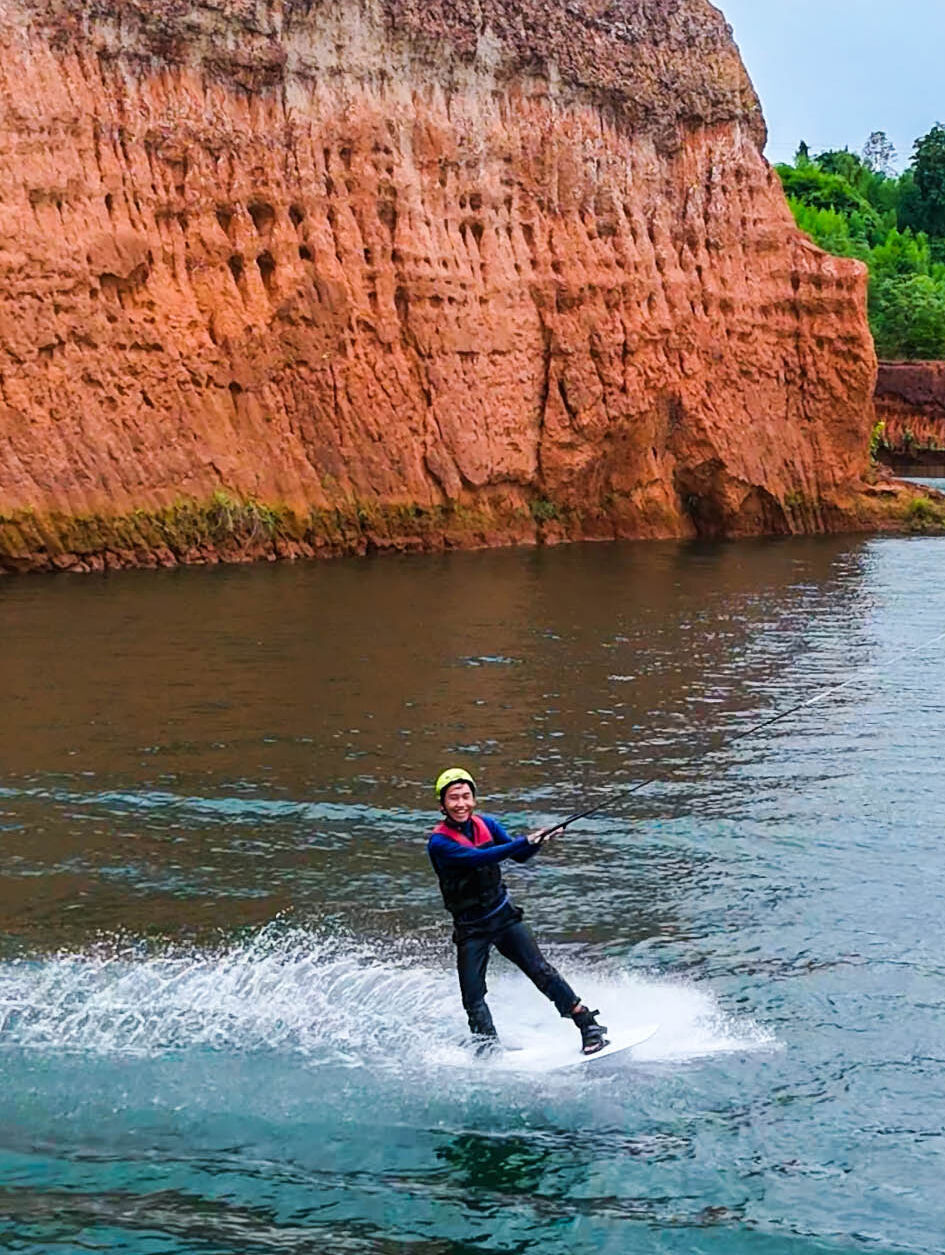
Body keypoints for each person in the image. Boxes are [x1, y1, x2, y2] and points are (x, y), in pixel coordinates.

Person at [427, 767, 608, 1055]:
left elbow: (519, 856)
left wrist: (538, 841)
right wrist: (523, 840)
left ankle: (587, 1024)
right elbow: (478, 858)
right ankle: (488, 1051)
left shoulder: (488, 824)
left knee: (541, 971)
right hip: (471, 928)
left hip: (503, 916)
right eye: (453, 798)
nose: (460, 803)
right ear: (443, 805)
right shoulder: (439, 843)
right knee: (473, 997)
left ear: (473, 799)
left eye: (465, 796)